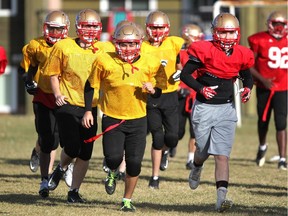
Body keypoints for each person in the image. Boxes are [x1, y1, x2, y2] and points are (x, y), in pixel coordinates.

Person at [82, 24, 166, 212]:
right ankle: (111, 172)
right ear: (116, 44)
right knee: (113, 158)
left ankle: (127, 199)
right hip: (113, 117)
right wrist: (88, 110)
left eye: (131, 44)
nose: (127, 49)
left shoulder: (151, 62)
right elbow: (90, 85)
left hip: (138, 119)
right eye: (123, 44)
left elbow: (159, 90)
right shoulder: (104, 60)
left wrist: (153, 90)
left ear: (139, 44)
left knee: (134, 162)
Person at [180, 13, 254, 212]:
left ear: (237, 33)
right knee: (202, 151)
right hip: (204, 108)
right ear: (214, 32)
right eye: (223, 32)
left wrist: (248, 89)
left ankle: (221, 199)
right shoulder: (204, 49)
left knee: (222, 155)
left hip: (227, 109)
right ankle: (196, 166)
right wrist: (200, 88)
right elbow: (186, 75)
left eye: (231, 33)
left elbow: (247, 77)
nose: (228, 37)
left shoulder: (242, 53)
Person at [46, 9, 114, 203]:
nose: (90, 30)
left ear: (99, 28)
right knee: (73, 146)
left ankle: (73, 191)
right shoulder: (64, 46)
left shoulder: (105, 48)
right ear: (77, 27)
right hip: (68, 102)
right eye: (86, 25)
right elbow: (53, 73)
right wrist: (57, 94)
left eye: (94, 26)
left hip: (90, 106)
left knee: (85, 152)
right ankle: (60, 168)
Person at [18, 10, 71, 198]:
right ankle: (44, 178)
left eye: (58, 30)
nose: (54, 33)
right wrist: (28, 80)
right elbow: (28, 67)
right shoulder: (36, 45)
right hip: (43, 95)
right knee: (48, 139)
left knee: (64, 139)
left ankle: (65, 166)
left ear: (65, 30)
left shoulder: (70, 46)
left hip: (65, 96)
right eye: (51, 29)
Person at [140, 10, 184, 189]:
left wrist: (179, 74)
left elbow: (181, 64)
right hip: (151, 96)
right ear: (147, 28)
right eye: (153, 27)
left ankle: (165, 152)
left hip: (170, 95)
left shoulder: (173, 44)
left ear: (167, 28)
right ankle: (155, 177)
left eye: (160, 28)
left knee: (173, 137)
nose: (157, 32)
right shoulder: (142, 46)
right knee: (157, 137)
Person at [247, 11, 287, 170]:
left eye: (282, 24)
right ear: (269, 24)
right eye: (276, 24)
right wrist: (262, 79)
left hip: (283, 87)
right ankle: (262, 145)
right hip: (264, 87)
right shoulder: (258, 39)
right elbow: (249, 64)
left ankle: (282, 158)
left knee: (281, 122)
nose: (279, 28)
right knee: (263, 121)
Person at [171, 24, 204, 170]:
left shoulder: (202, 52)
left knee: (194, 130)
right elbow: (175, 72)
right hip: (182, 94)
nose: (197, 40)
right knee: (178, 131)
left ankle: (190, 159)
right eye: (195, 37)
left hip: (196, 94)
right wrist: (178, 87)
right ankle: (171, 145)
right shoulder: (179, 52)